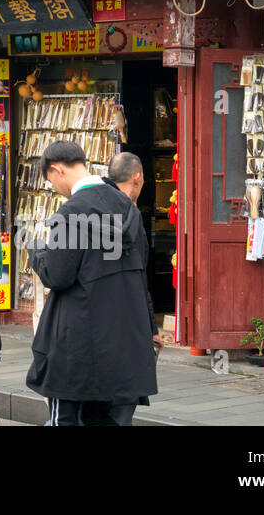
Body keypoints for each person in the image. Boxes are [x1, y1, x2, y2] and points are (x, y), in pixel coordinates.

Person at [26, 141, 157, 425]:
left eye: (50, 181)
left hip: (79, 345)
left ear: (56, 170)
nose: (53, 187)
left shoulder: (70, 214)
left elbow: (57, 276)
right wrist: (151, 330)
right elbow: (140, 274)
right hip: (124, 340)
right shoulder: (129, 210)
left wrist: (36, 251)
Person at [104, 152, 161, 426]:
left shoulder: (94, 207)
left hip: (98, 322)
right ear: (137, 178)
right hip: (127, 322)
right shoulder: (131, 216)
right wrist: (152, 328)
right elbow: (138, 278)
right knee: (122, 404)